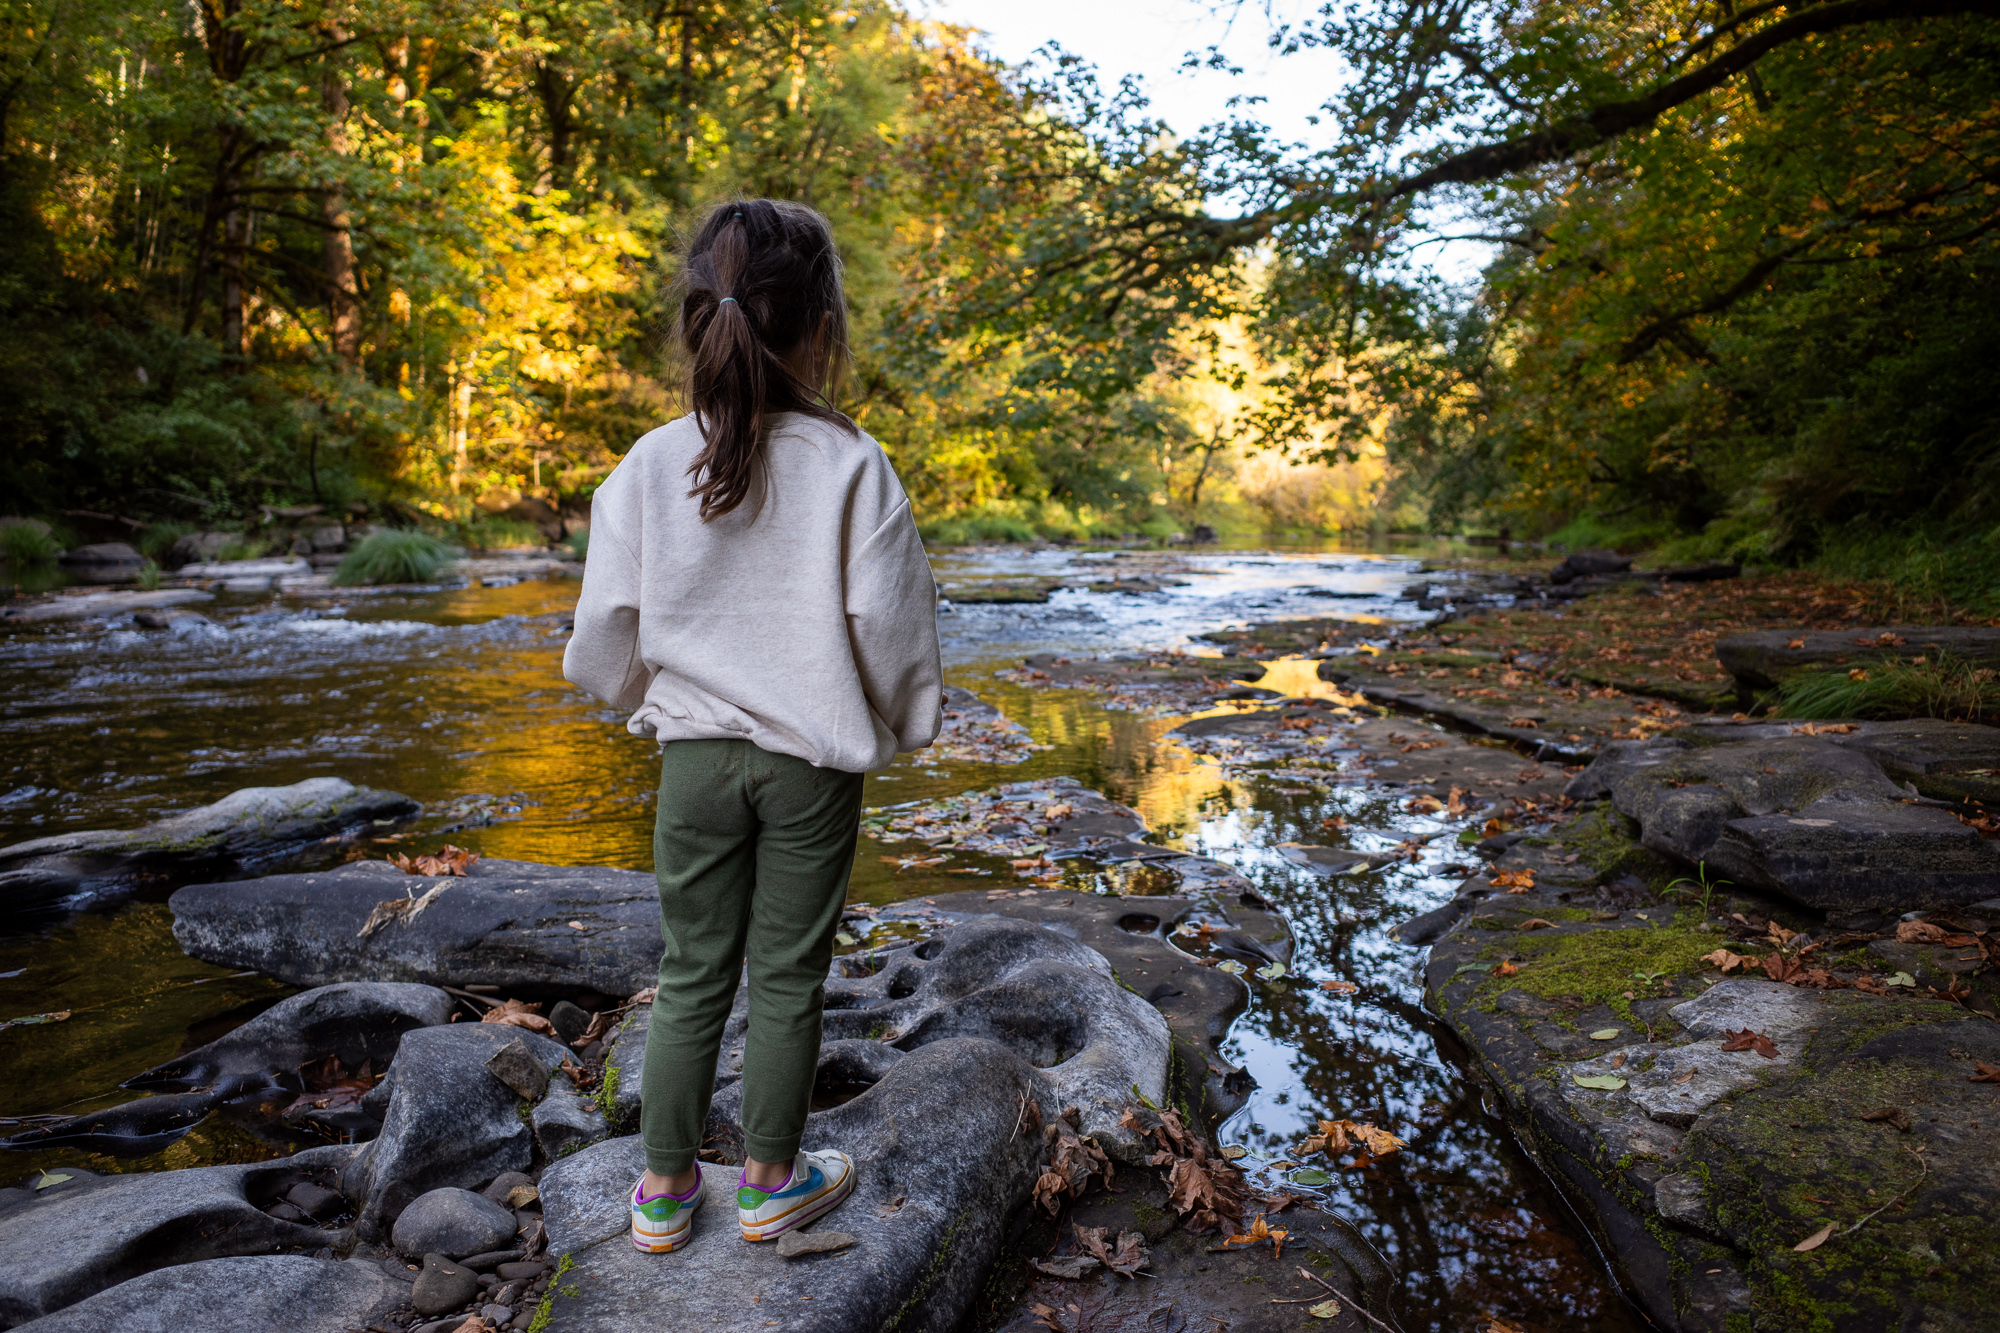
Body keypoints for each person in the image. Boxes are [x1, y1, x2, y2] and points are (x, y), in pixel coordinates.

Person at [562, 197, 943, 1254]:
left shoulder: (647, 465)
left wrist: (630, 687)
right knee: (785, 974)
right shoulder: (853, 464)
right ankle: (772, 1179)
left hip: (692, 762)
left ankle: (663, 1190)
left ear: (701, 320)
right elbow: (889, 621)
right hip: (809, 764)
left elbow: (606, 623)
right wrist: (906, 718)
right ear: (821, 326)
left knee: (689, 971)